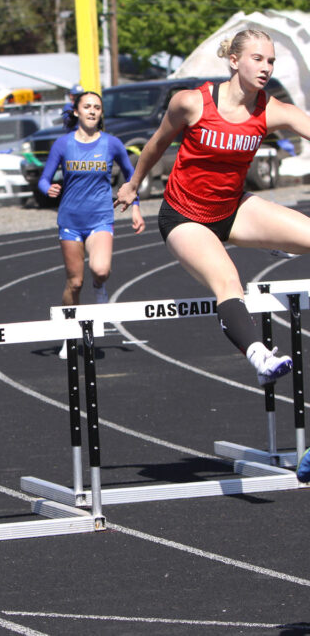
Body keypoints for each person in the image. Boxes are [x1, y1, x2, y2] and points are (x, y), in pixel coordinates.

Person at [114, 29, 310, 480]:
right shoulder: (191, 102)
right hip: (185, 217)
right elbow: (157, 143)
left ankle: (270, 239)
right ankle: (259, 356)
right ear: (234, 61)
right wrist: (133, 184)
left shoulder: (272, 110)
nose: (266, 67)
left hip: (233, 210)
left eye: (271, 61)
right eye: (258, 58)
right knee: (228, 281)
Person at [40, 91, 145, 359]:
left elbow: (132, 177)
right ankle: (69, 336)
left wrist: (135, 206)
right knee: (75, 283)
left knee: (100, 270)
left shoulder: (111, 143)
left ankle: (100, 288)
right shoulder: (63, 144)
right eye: (87, 106)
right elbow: (43, 179)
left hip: (100, 217)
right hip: (70, 221)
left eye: (97, 107)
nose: (92, 111)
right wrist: (47, 188)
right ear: (76, 111)